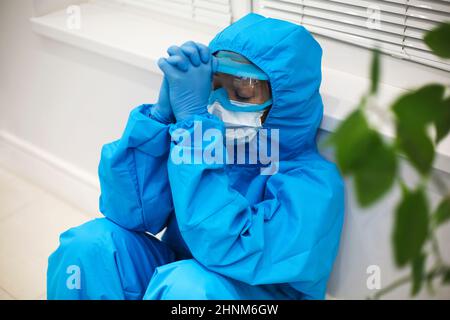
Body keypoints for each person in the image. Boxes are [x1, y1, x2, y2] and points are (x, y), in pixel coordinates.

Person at [47, 13, 344, 300]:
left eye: (242, 92)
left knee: (187, 288)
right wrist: (161, 119)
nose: (218, 103)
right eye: (214, 86)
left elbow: (228, 247)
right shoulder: (203, 141)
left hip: (251, 291)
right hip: (183, 273)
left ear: (284, 102)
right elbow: (127, 213)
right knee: (89, 246)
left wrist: (196, 132)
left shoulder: (314, 186)